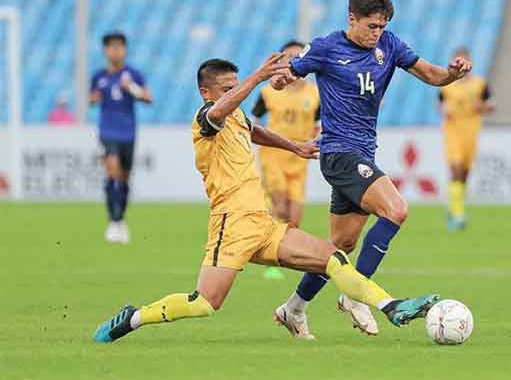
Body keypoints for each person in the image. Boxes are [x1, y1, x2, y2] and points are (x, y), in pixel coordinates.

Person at [92, 54, 439, 343]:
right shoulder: (205, 119)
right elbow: (220, 113)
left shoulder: (237, 117)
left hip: (262, 224)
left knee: (334, 258)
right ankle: (134, 318)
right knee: (204, 303)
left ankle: (391, 306)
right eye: (227, 88)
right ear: (206, 92)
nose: (235, 93)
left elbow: (253, 129)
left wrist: (294, 145)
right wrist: (257, 77)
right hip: (231, 225)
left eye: (236, 85)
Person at [270, 0, 472, 338]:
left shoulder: (389, 45)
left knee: (340, 247)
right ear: (352, 18)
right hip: (338, 153)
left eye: (382, 26)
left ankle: (293, 309)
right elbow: (290, 72)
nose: (377, 33)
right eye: (371, 26)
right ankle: (357, 294)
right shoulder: (327, 46)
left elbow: (431, 75)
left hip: (362, 153)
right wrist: (283, 76)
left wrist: (453, 74)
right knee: (396, 210)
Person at [251, 40, 320, 281]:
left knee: (295, 216)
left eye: (297, 56)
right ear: (281, 61)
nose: (292, 60)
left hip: (300, 157)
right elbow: (255, 120)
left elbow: (319, 124)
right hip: (274, 154)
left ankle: (286, 255)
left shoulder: (315, 93)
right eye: (288, 56)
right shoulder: (268, 91)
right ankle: (270, 262)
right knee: (279, 206)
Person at [90, 32, 152, 244]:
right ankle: (113, 220)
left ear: (125, 50)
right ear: (105, 50)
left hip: (128, 132)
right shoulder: (99, 76)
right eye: (111, 47)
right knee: (112, 170)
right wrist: (95, 97)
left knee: (124, 177)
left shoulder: (133, 74)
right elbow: (92, 99)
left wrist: (131, 88)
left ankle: (120, 219)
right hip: (108, 131)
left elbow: (148, 98)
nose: (115, 50)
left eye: (119, 47)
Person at [439, 48, 495, 231]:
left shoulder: (480, 84)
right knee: (455, 169)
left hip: (471, 133)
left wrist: (484, 107)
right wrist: (443, 110)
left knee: (464, 174)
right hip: (453, 131)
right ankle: (457, 215)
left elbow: (491, 104)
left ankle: (455, 208)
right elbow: (440, 104)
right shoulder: (447, 84)